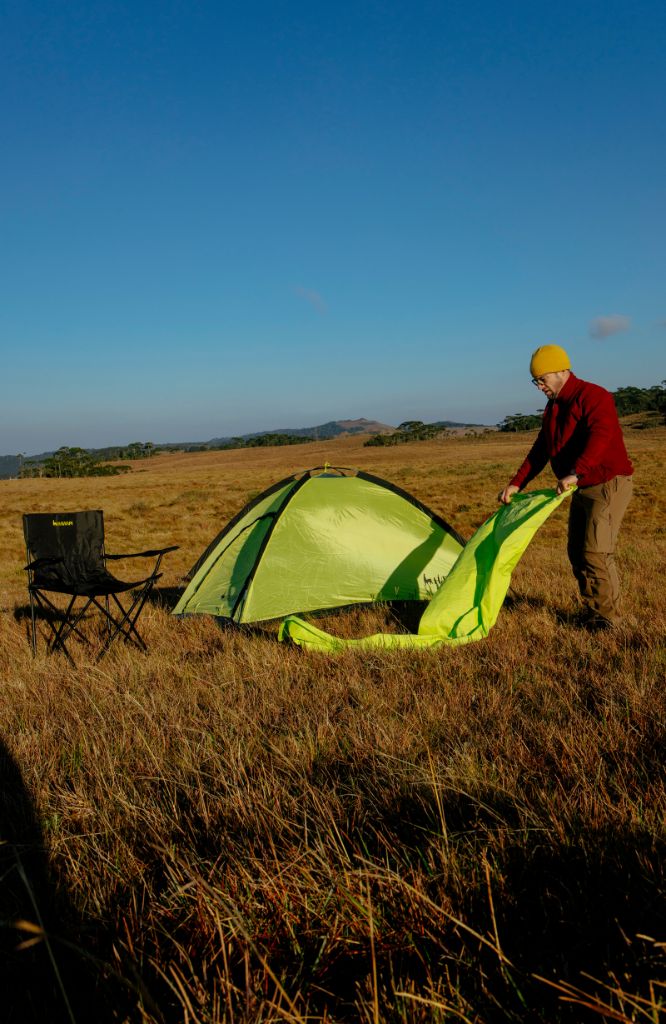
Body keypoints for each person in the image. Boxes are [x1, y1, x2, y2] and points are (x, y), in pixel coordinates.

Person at [498, 344, 633, 630]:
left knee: (596, 552)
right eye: (535, 381)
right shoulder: (553, 407)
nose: (539, 386)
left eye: (542, 379)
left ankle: (610, 620)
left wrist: (576, 472)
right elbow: (541, 450)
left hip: (608, 483)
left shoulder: (594, 396)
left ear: (562, 371)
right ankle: (593, 610)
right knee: (576, 552)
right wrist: (516, 483)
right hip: (579, 486)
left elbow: (602, 437)